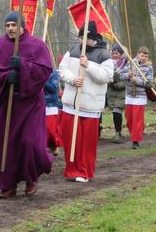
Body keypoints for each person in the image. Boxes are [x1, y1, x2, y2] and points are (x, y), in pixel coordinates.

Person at [0, 11, 54, 198]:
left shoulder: (37, 45)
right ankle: (8, 184)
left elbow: (45, 70)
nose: (10, 29)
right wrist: (7, 77)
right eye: (7, 25)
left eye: (14, 25)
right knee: (7, 144)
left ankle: (31, 178)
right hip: (8, 104)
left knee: (30, 142)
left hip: (30, 104)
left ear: (22, 26)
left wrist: (23, 66)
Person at [58, 21, 114, 183]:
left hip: (90, 106)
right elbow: (63, 69)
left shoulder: (104, 55)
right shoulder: (72, 51)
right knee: (70, 141)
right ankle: (72, 170)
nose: (84, 40)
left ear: (94, 37)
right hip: (70, 104)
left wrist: (88, 65)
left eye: (88, 37)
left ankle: (84, 171)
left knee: (86, 143)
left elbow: (106, 77)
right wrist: (73, 79)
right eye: (82, 37)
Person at [120, 46, 153, 149]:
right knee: (129, 118)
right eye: (142, 55)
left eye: (146, 56)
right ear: (138, 54)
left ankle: (136, 140)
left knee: (137, 120)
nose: (143, 58)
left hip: (140, 96)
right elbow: (121, 75)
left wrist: (136, 81)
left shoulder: (149, 67)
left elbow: (149, 83)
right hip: (129, 95)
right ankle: (133, 135)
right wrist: (128, 75)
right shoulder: (131, 63)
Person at [106, 44, 128, 144]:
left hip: (120, 93)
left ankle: (118, 132)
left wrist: (118, 85)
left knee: (116, 111)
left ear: (121, 54)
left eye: (117, 53)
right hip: (110, 92)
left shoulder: (126, 64)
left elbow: (126, 78)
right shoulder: (108, 64)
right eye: (113, 53)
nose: (114, 55)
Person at [44, 68, 62, 155]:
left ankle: (54, 145)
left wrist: (42, 80)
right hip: (38, 104)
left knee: (50, 129)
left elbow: (53, 89)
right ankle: (44, 147)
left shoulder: (53, 73)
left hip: (51, 104)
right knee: (41, 129)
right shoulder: (35, 71)